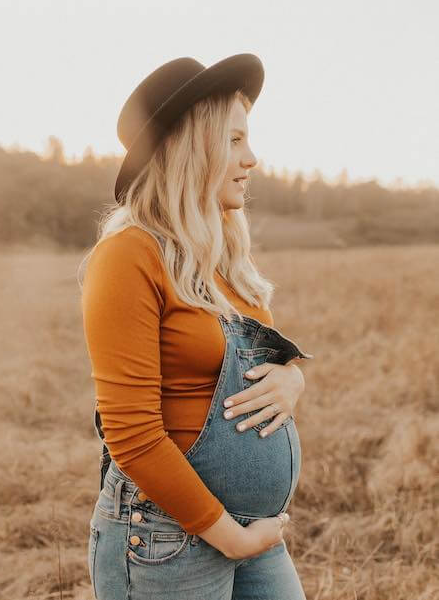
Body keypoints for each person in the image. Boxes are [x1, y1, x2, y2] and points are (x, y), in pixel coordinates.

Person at [80, 53, 313, 600]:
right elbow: (131, 435)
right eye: (234, 141)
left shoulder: (222, 258)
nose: (251, 158)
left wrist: (294, 380)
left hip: (251, 533)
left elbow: (247, 364)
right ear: (193, 148)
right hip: (165, 538)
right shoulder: (128, 255)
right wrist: (228, 536)